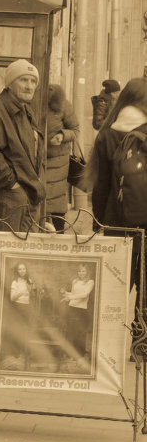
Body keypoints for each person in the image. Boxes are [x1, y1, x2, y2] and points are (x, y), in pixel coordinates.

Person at [87, 77, 147, 304]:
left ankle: (113, 332)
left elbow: (101, 185)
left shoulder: (107, 133)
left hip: (117, 221)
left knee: (115, 287)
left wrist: (100, 220)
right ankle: (141, 335)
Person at [0, 59, 46, 233]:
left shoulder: (26, 111)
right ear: (10, 84)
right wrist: (13, 186)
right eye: (23, 80)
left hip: (28, 194)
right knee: (6, 252)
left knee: (23, 254)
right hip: (9, 196)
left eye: (33, 81)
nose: (29, 86)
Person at [45, 84, 80, 233]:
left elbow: (75, 130)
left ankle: (59, 238)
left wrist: (62, 135)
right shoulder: (31, 103)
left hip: (58, 162)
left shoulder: (63, 105)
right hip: (36, 160)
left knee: (56, 202)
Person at [60, 263, 94, 369]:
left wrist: (70, 297)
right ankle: (71, 357)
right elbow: (72, 295)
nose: (81, 273)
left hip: (81, 311)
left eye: (83, 271)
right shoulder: (74, 281)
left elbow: (84, 295)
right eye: (79, 271)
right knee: (71, 333)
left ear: (87, 272)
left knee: (80, 334)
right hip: (72, 309)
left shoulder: (90, 282)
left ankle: (80, 357)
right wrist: (65, 293)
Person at [1, 262, 34, 369]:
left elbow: (31, 295)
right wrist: (23, 290)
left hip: (27, 308)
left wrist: (32, 289)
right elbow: (12, 298)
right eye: (20, 269)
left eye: (24, 269)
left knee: (25, 330)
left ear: (26, 270)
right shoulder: (14, 282)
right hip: (17, 308)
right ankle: (15, 354)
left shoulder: (29, 281)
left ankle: (23, 353)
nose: (22, 271)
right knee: (17, 330)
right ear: (17, 271)